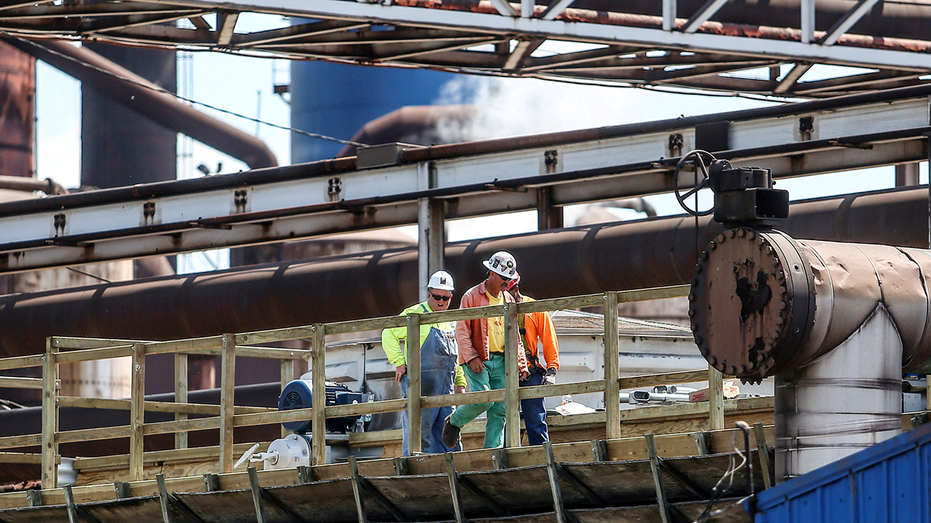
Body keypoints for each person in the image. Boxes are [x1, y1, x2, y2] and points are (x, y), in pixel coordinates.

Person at [442, 251, 529, 449]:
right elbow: (462, 331)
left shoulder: (509, 300)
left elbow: (515, 336)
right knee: (483, 398)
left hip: (501, 360)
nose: (506, 282)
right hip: (478, 357)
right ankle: (454, 421)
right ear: (491, 273)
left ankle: (493, 452)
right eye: (503, 278)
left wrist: (521, 363)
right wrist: (471, 357)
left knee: (500, 408)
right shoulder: (471, 296)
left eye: (509, 279)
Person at [381, 270, 466, 455]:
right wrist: (399, 362)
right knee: (420, 432)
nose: (441, 301)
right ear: (429, 294)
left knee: (449, 431)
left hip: (446, 388)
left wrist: (460, 381)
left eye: (446, 297)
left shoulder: (450, 321)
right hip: (421, 386)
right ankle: (417, 469)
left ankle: (451, 469)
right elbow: (388, 333)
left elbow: (456, 355)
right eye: (437, 297)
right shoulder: (415, 314)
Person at [506, 273, 559, 446]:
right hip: (504, 372)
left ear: (515, 289)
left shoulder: (534, 308)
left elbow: (548, 338)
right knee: (504, 422)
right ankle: (506, 463)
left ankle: (542, 460)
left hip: (530, 372)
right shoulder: (497, 308)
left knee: (536, 421)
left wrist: (552, 368)